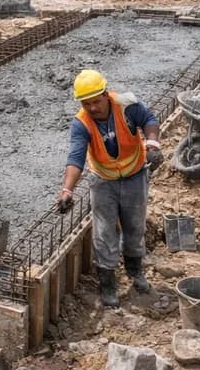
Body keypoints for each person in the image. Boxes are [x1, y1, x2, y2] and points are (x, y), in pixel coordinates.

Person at [54, 70, 163, 308]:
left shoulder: (126, 105)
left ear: (106, 94)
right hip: (103, 182)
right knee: (104, 232)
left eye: (96, 101)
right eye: (86, 103)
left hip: (135, 176)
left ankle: (135, 272)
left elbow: (149, 120)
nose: (92, 108)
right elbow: (75, 157)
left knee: (135, 226)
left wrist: (152, 143)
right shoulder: (81, 123)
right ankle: (108, 283)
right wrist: (67, 191)